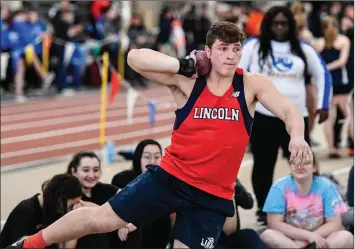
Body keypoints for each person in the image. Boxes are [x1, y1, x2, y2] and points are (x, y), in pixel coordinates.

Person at [8, 21, 313, 249]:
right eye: (223, 49)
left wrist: (297, 137)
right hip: (170, 177)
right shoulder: (188, 82)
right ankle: (29, 244)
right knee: (100, 220)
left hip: (212, 195)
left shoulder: (251, 85)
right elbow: (135, 58)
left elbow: (288, 110)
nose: (231, 56)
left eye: (236, 49)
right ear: (208, 51)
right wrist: (186, 64)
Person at [237, 6, 332, 224]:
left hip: (297, 117)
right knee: (263, 164)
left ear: (291, 25)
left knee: (304, 162)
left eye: (284, 23)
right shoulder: (253, 46)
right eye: (275, 23)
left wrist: (324, 104)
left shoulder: (302, 48)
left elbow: (323, 73)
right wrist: (240, 107)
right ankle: (265, 208)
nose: (279, 27)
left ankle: (310, 206)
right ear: (267, 25)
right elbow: (237, 74)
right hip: (263, 116)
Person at [260, 161, 354, 248]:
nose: (300, 166)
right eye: (295, 163)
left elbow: (334, 223)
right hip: (291, 240)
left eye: (306, 163)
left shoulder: (325, 186)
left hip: (321, 238)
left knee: (346, 237)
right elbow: (275, 224)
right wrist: (307, 236)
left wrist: (310, 240)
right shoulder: (279, 187)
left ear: (314, 167)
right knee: (268, 235)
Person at [111, 139, 172, 248]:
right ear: (138, 158)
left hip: (158, 238)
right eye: (147, 157)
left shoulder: (166, 182)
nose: (152, 161)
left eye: (157, 157)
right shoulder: (122, 179)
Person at [0, 174, 82, 248]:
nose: (72, 210)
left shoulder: (56, 210)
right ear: (60, 199)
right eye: (71, 206)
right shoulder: (26, 211)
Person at [314, 16, 353, 158]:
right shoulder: (343, 41)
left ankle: (331, 148)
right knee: (350, 116)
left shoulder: (319, 43)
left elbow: (316, 63)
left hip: (326, 84)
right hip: (342, 83)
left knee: (329, 118)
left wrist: (324, 69)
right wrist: (328, 68)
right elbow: (342, 61)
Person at [66, 151, 119, 248]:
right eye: (86, 170)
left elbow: (127, 197)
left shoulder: (104, 190)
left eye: (95, 170)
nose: (91, 175)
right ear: (74, 171)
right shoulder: (67, 195)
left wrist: (128, 222)